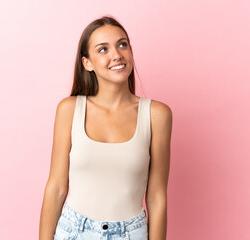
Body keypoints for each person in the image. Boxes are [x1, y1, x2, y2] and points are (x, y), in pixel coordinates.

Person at [39, 15, 172, 240]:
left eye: (122, 44)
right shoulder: (69, 110)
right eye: (103, 49)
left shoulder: (156, 115)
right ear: (87, 63)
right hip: (73, 231)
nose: (116, 55)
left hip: (131, 233)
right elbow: (56, 187)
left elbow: (157, 197)